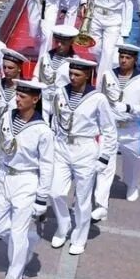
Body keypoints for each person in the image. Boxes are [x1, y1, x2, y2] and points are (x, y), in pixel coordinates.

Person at [0, 79, 54, 279]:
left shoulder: (43, 130)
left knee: (17, 234)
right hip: (5, 176)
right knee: (0, 225)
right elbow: (0, 142)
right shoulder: (8, 116)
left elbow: (47, 165)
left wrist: (41, 198)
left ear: (35, 100)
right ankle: (29, 243)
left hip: (27, 180)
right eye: (17, 94)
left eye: (23, 96)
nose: (17, 98)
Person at [48, 59, 118, 255]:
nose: (72, 77)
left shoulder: (98, 98)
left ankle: (79, 237)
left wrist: (104, 157)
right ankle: (63, 227)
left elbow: (109, 130)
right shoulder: (61, 91)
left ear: (88, 75)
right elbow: (55, 119)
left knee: (82, 199)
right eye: (71, 72)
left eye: (77, 74)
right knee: (55, 192)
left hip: (85, 148)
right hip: (62, 147)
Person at [96, 43, 140, 212]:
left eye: (127, 58)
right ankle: (101, 201)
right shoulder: (108, 75)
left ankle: (132, 185)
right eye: (121, 57)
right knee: (105, 163)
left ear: (135, 60)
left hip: (130, 128)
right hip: (109, 128)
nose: (123, 60)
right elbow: (99, 97)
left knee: (133, 159)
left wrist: (130, 108)